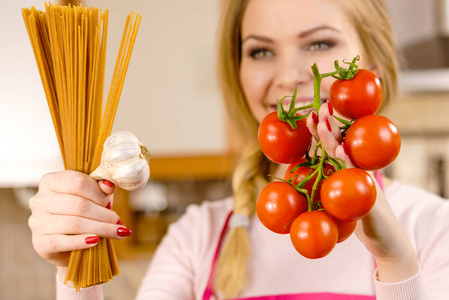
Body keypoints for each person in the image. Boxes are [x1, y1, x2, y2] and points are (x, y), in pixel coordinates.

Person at [28, 0, 449, 299]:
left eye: (320, 43)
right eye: (261, 51)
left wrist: (394, 262)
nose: (289, 76)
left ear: (373, 63)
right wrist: (74, 272)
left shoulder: (434, 227)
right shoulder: (197, 236)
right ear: (239, 72)